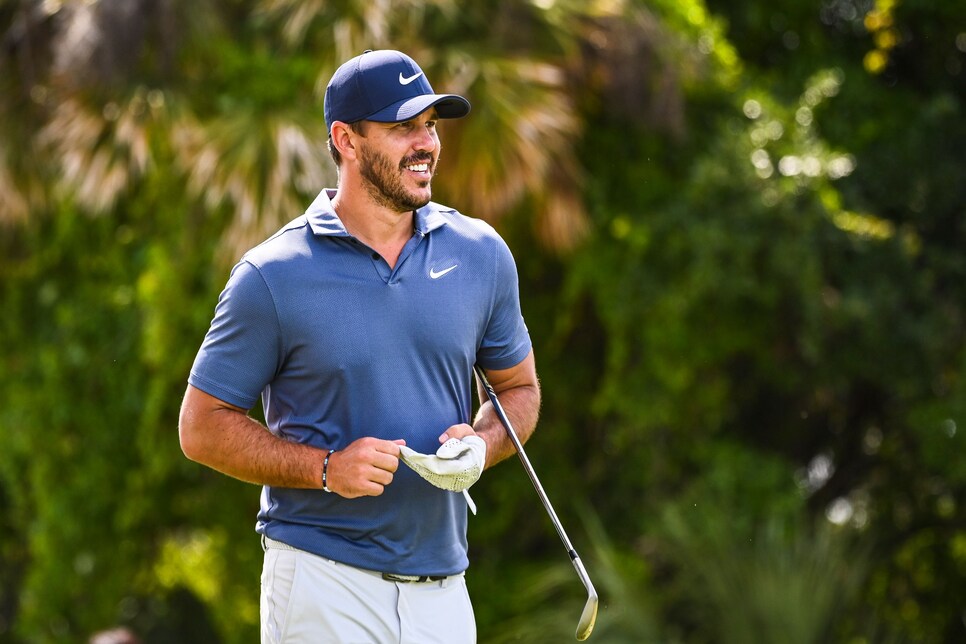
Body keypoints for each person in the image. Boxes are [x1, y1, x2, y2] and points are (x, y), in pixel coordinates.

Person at [179, 49, 541, 643]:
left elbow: (518, 389)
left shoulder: (481, 255)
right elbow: (201, 427)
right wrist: (326, 469)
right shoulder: (272, 275)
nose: (426, 143)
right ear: (346, 139)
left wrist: (484, 445)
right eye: (403, 127)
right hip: (323, 581)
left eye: (430, 124)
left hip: (444, 589)